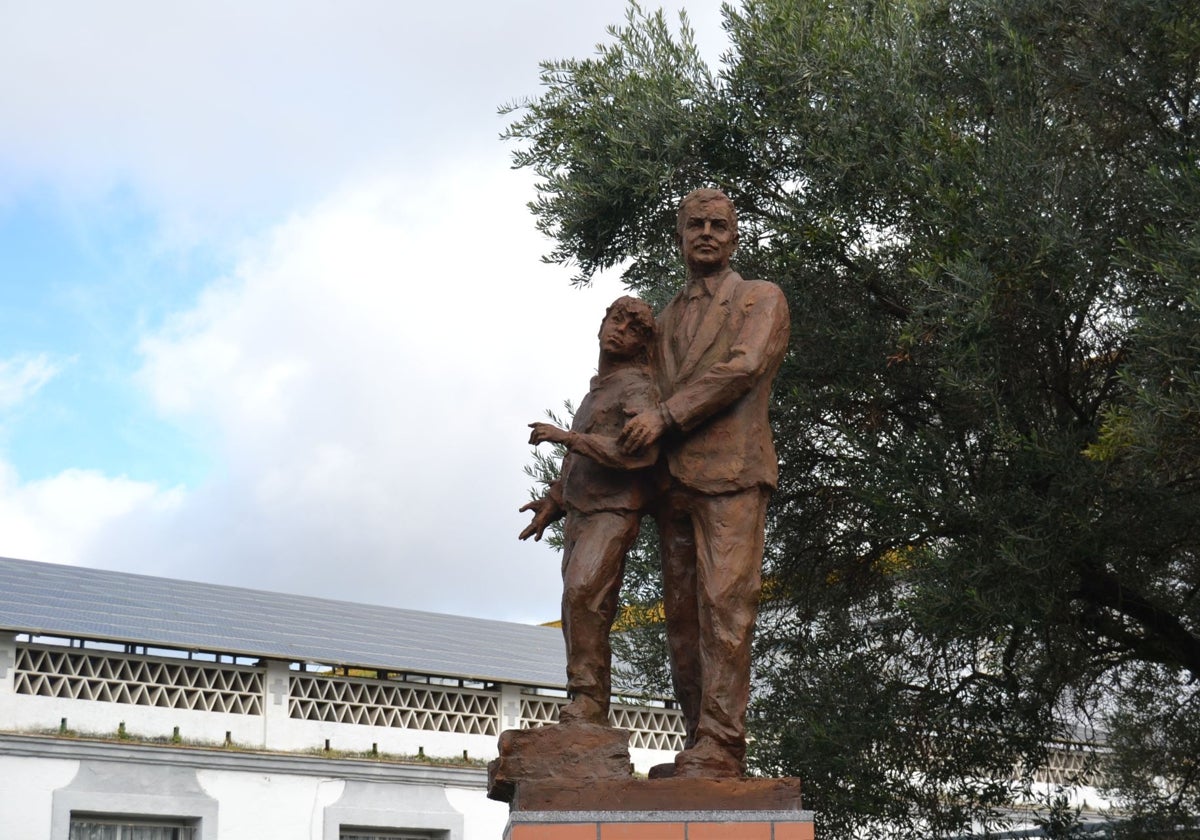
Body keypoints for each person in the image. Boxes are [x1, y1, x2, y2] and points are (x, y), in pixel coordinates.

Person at [618, 188, 790, 778]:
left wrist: (664, 417)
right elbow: (635, 387)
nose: (707, 233)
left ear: (735, 235)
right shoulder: (664, 319)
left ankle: (723, 742)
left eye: (719, 224)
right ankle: (699, 741)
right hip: (673, 487)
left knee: (724, 607)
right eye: (696, 225)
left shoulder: (758, 299)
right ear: (681, 236)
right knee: (682, 618)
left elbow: (740, 369)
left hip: (734, 475)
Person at [519, 296, 661, 725]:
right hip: (582, 512)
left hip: (614, 512)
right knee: (575, 603)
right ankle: (584, 704)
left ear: (642, 345)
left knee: (584, 594)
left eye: (633, 328)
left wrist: (567, 437)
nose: (620, 330)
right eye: (616, 320)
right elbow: (581, 461)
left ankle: (589, 702)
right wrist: (553, 503)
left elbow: (636, 454)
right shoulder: (595, 391)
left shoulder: (639, 388)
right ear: (601, 325)